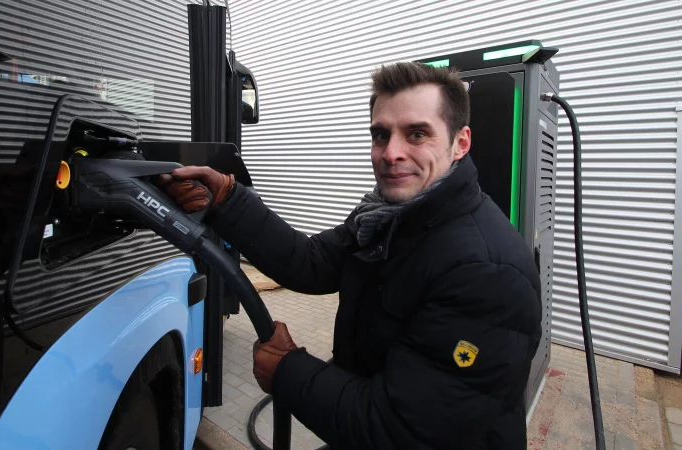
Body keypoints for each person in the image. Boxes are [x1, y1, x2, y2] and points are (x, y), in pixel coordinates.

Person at [159, 62, 542, 449]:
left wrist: (288, 371)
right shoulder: (386, 216)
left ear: (460, 142)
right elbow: (311, 263)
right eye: (381, 134)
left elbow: (402, 432)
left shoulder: (486, 272)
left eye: (417, 134)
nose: (391, 153)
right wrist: (227, 199)